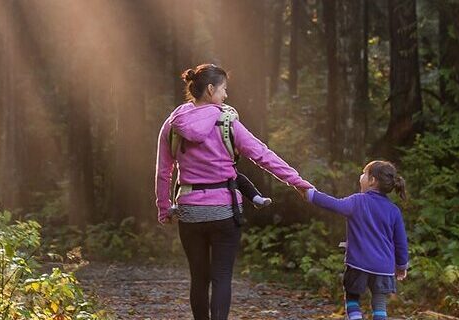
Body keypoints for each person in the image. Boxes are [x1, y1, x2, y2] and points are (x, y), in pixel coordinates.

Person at [155, 63, 313, 320]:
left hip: (189, 211)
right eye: (223, 89)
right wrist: (297, 181)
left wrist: (164, 209)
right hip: (224, 213)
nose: (226, 95)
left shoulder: (173, 124)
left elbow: (164, 172)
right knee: (221, 278)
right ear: (210, 89)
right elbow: (263, 155)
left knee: (198, 278)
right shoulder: (227, 122)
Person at [303, 160, 409, 320]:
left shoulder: (358, 201)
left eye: (364, 173)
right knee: (379, 303)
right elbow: (401, 242)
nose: (361, 176)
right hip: (383, 267)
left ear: (372, 181)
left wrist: (311, 194)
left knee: (352, 296)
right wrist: (401, 266)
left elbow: (334, 204)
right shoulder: (394, 211)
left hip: (358, 263)